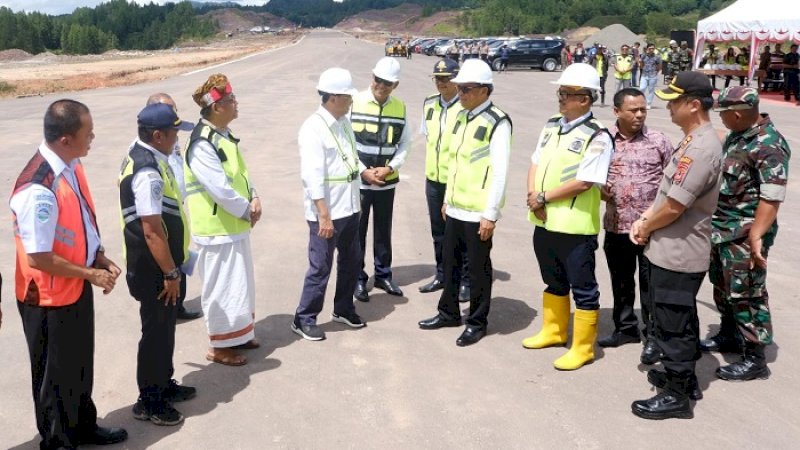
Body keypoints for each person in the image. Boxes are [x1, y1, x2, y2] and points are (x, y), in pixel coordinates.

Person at [11, 99, 128, 449]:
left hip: (73, 285)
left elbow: (79, 223)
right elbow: (39, 257)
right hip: (46, 295)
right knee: (52, 376)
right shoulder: (38, 188)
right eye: (87, 133)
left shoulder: (70, 164)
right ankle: (58, 441)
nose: (93, 138)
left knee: (78, 365)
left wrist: (99, 257)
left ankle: (83, 426)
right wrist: (90, 274)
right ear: (65, 138)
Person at [630, 71, 722, 420]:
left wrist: (644, 224)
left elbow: (674, 206)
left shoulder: (700, 148)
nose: (667, 106)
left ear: (694, 105)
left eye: (674, 100)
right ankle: (677, 374)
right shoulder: (690, 140)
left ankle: (678, 393)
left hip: (680, 252)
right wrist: (646, 221)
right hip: (668, 247)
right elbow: (666, 195)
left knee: (673, 323)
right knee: (676, 318)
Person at [522, 63, 614, 370]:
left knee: (583, 287)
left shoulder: (597, 136)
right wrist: (533, 196)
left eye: (566, 94)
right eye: (560, 93)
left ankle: (583, 347)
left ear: (585, 99)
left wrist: (544, 197)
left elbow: (586, 181)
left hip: (575, 227)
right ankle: (554, 330)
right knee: (553, 280)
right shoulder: (552, 124)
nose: (560, 99)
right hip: (544, 219)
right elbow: (536, 161)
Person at [418, 59, 512, 347]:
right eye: (459, 88)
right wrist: (447, 199)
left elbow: (500, 172)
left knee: (478, 269)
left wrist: (490, 214)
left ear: (484, 90)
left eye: (467, 89)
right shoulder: (461, 116)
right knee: (450, 262)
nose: (461, 94)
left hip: (478, 211)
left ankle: (476, 321)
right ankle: (447, 312)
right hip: (456, 206)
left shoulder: (497, 121)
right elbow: (453, 162)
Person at [701, 86, 791, 381]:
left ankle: (755, 358)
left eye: (724, 115)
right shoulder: (739, 136)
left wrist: (757, 236)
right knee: (723, 286)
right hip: (723, 230)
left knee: (747, 293)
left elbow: (772, 197)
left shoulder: (768, 144)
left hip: (744, 234)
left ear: (737, 114)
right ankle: (729, 334)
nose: (722, 120)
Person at [119, 103, 197, 426]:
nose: (177, 138)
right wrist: (171, 272)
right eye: (174, 133)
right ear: (157, 136)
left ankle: (164, 384)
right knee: (154, 334)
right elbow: (151, 231)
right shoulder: (147, 170)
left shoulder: (151, 157)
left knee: (165, 330)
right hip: (154, 270)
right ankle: (149, 401)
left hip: (160, 267)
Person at [293, 68, 379, 341]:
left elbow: (349, 158)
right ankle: (304, 317)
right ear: (332, 98)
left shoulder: (342, 122)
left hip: (350, 207)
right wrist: (324, 215)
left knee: (352, 262)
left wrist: (364, 171)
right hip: (327, 212)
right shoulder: (313, 128)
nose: (352, 101)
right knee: (321, 267)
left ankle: (343, 308)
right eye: (347, 97)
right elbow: (312, 176)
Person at [185, 74, 261, 366]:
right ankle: (219, 346)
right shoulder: (202, 143)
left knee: (240, 285)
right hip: (217, 229)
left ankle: (238, 335)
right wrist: (247, 210)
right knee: (221, 288)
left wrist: (254, 196)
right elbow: (219, 189)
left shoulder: (224, 135)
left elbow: (240, 174)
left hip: (234, 226)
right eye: (231, 100)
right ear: (216, 107)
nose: (236, 103)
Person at [597, 88, 672, 361]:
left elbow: (673, 180)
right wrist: (599, 190)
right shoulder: (603, 141)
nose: (640, 114)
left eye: (643, 109)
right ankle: (625, 328)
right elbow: (590, 176)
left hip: (650, 228)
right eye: (633, 110)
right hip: (616, 226)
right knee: (621, 281)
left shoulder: (658, 141)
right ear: (616, 111)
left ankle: (653, 336)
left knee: (651, 284)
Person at [134, 93, 202, 321]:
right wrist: (170, 274)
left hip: (174, 208)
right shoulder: (147, 165)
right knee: (158, 330)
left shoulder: (167, 142)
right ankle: (170, 307)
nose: (176, 121)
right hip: (161, 215)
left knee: (179, 257)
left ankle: (177, 305)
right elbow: (152, 230)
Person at [351, 57, 412, 301]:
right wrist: (362, 170)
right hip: (360, 181)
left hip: (387, 181)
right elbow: (345, 143)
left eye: (388, 82)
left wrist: (390, 168)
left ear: (395, 85)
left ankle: (383, 274)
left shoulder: (400, 107)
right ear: (371, 77)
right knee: (358, 231)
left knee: (383, 230)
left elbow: (405, 143)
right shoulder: (354, 103)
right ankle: (357, 277)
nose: (381, 85)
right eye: (378, 80)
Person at [419, 58, 470, 301]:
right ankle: (442, 274)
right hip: (433, 179)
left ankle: (465, 280)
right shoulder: (429, 104)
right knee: (438, 232)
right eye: (437, 78)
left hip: (457, 181)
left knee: (460, 233)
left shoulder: (465, 107)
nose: (441, 82)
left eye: (446, 78)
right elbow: (428, 138)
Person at [639, 43, 662, 109]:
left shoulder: (657, 56)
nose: (651, 50)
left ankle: (648, 103)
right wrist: (641, 66)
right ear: (647, 48)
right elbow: (641, 64)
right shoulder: (643, 55)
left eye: (653, 48)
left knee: (651, 90)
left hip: (652, 75)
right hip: (644, 74)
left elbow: (659, 65)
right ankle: (641, 102)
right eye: (650, 48)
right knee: (642, 88)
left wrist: (656, 72)